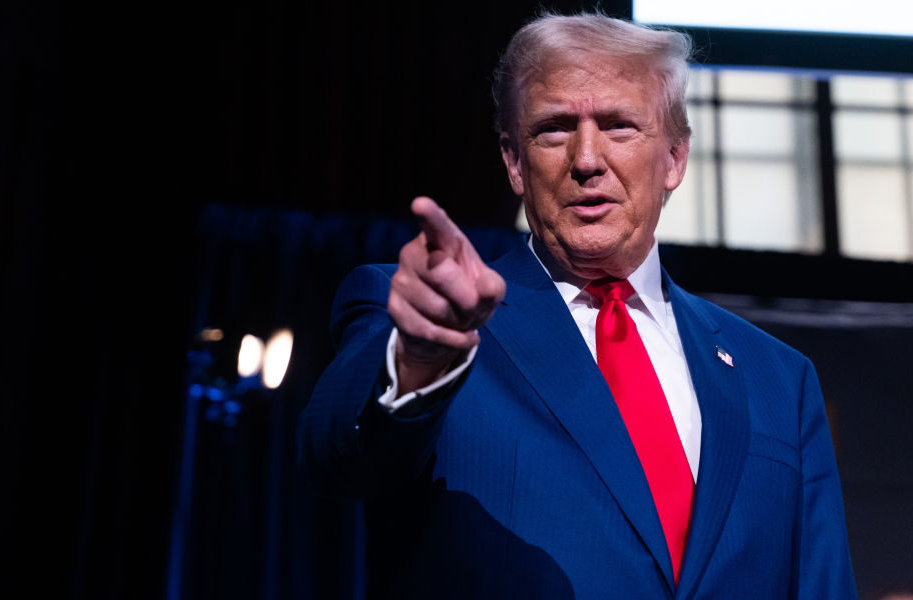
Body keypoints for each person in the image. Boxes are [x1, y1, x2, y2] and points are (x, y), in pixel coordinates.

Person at [299, 12, 857, 599]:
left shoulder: (778, 378)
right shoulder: (426, 322)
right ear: (514, 162)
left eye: (619, 126)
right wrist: (420, 359)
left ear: (674, 158)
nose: (586, 158)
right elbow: (338, 458)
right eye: (554, 129)